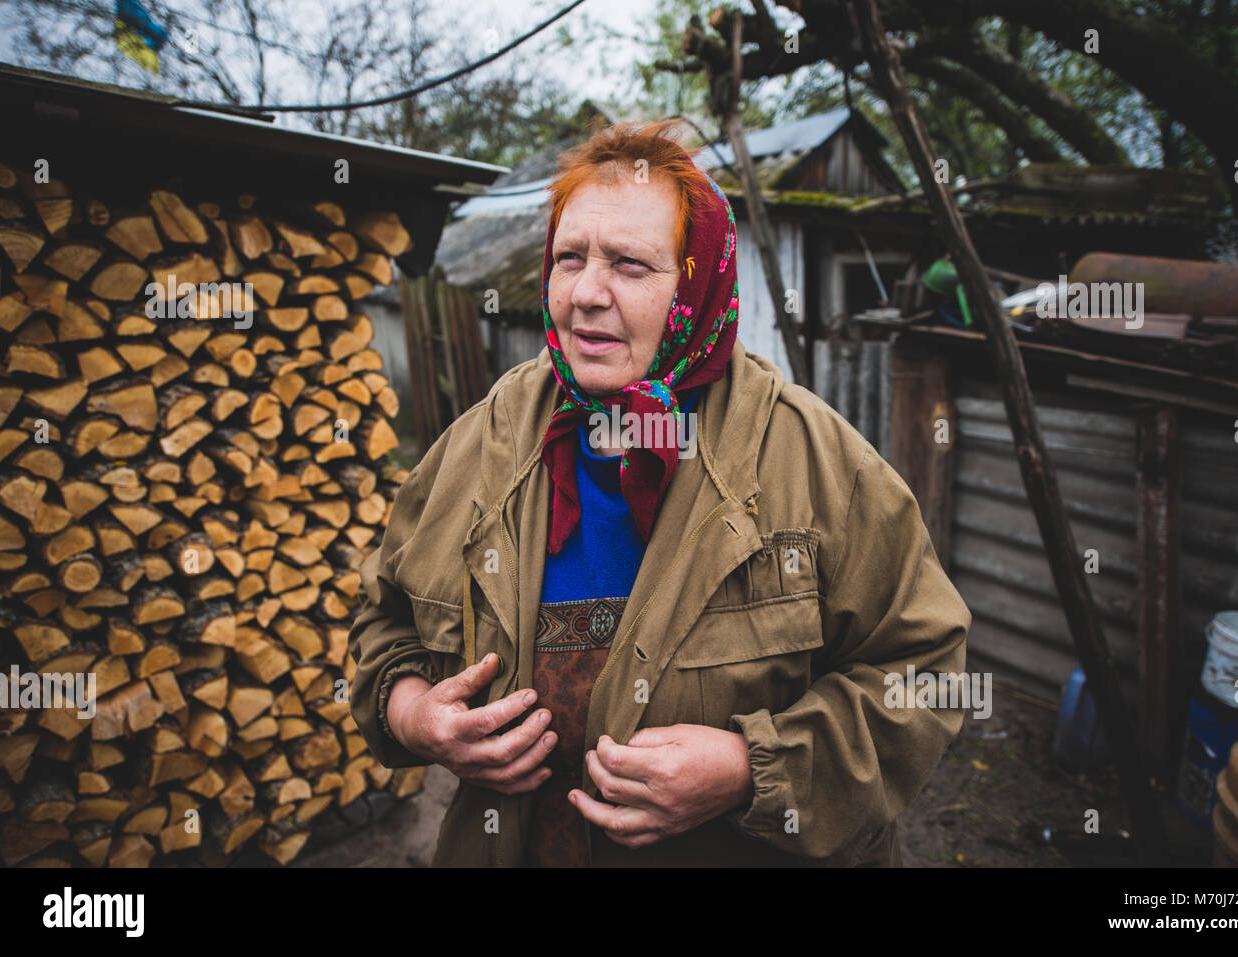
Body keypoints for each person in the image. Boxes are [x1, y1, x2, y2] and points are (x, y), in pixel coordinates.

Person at [348, 121, 971, 866]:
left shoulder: (817, 464)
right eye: (569, 257)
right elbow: (383, 623)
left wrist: (749, 770)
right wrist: (414, 714)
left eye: (630, 265)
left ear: (700, 281)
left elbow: (925, 676)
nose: (585, 294)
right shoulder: (477, 448)